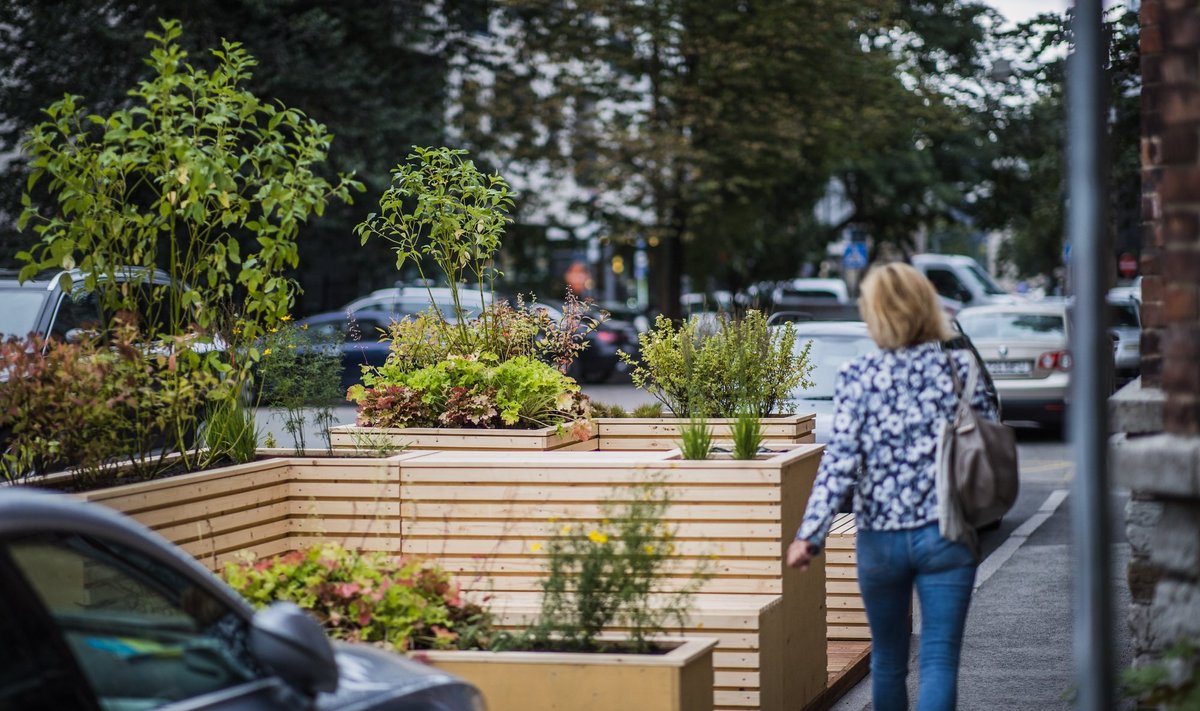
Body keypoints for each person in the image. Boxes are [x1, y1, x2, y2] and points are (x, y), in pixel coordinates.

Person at [785, 262, 997, 711]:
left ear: (875, 313)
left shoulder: (858, 376)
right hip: (948, 531)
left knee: (887, 661)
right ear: (927, 307)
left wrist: (810, 534)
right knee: (938, 661)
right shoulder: (960, 369)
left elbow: (839, 463)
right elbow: (983, 439)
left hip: (880, 540)